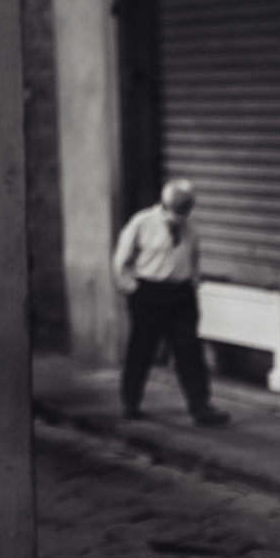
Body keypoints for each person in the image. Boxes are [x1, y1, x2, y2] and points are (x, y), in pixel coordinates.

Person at [112, 178, 231, 428]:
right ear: (165, 204)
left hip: (181, 296)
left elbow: (194, 256)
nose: (183, 213)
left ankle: (201, 407)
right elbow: (121, 260)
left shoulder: (190, 228)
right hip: (150, 293)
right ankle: (130, 402)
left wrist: (193, 283)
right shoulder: (142, 222)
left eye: (187, 207)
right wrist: (132, 289)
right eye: (179, 207)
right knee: (142, 350)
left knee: (189, 351)